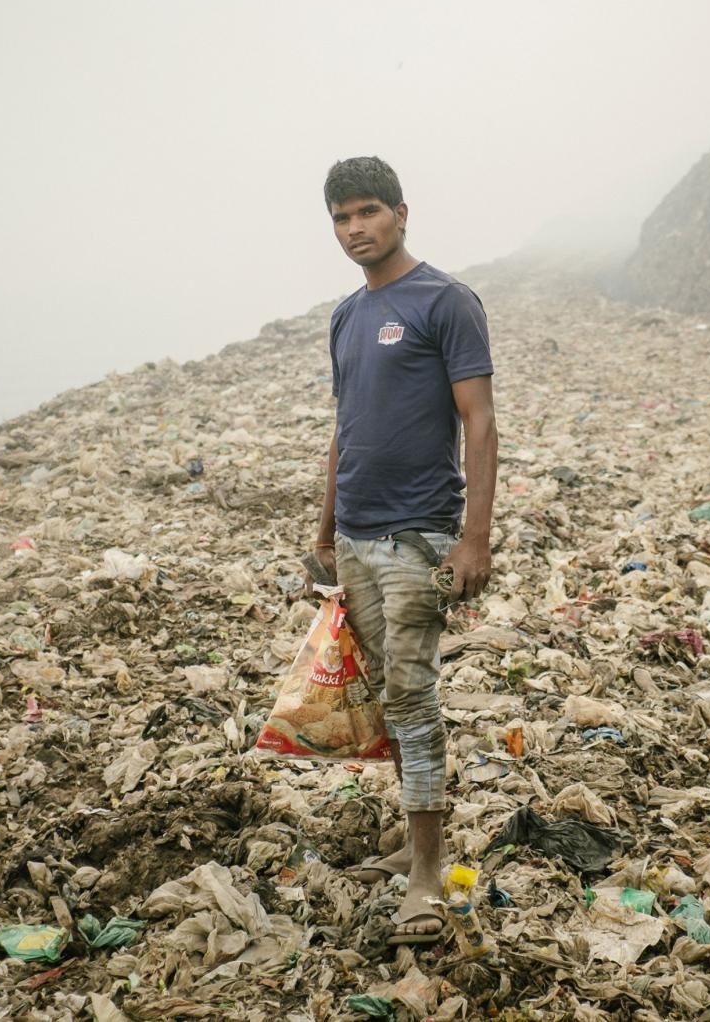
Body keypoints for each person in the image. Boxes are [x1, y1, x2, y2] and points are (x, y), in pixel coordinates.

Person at [309, 156, 497, 946]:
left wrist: (474, 538)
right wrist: (322, 529)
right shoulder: (348, 315)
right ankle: (414, 841)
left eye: (367, 213)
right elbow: (345, 430)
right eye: (342, 218)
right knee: (387, 694)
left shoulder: (445, 301)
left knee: (414, 700)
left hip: (419, 534)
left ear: (401, 212)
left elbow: (479, 421)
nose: (356, 230)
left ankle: (426, 873)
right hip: (355, 536)